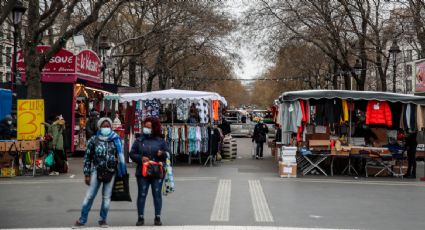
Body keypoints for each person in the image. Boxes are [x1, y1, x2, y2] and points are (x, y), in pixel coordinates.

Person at [74, 117, 127, 228]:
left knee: (106, 198)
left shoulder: (116, 139)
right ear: (99, 127)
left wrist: (120, 166)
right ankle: (82, 219)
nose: (106, 128)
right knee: (89, 196)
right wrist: (87, 174)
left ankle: (103, 220)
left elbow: (121, 155)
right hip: (96, 171)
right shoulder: (93, 140)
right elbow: (87, 158)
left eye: (108, 126)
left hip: (111, 172)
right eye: (104, 126)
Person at [129, 117, 168, 226]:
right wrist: (140, 158)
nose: (146, 129)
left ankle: (157, 217)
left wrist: (162, 154)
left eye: (148, 127)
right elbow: (132, 154)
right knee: (142, 193)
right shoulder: (139, 140)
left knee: (157, 194)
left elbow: (168, 154)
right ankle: (140, 217)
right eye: (145, 127)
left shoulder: (161, 141)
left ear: (154, 128)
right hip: (142, 172)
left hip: (157, 172)